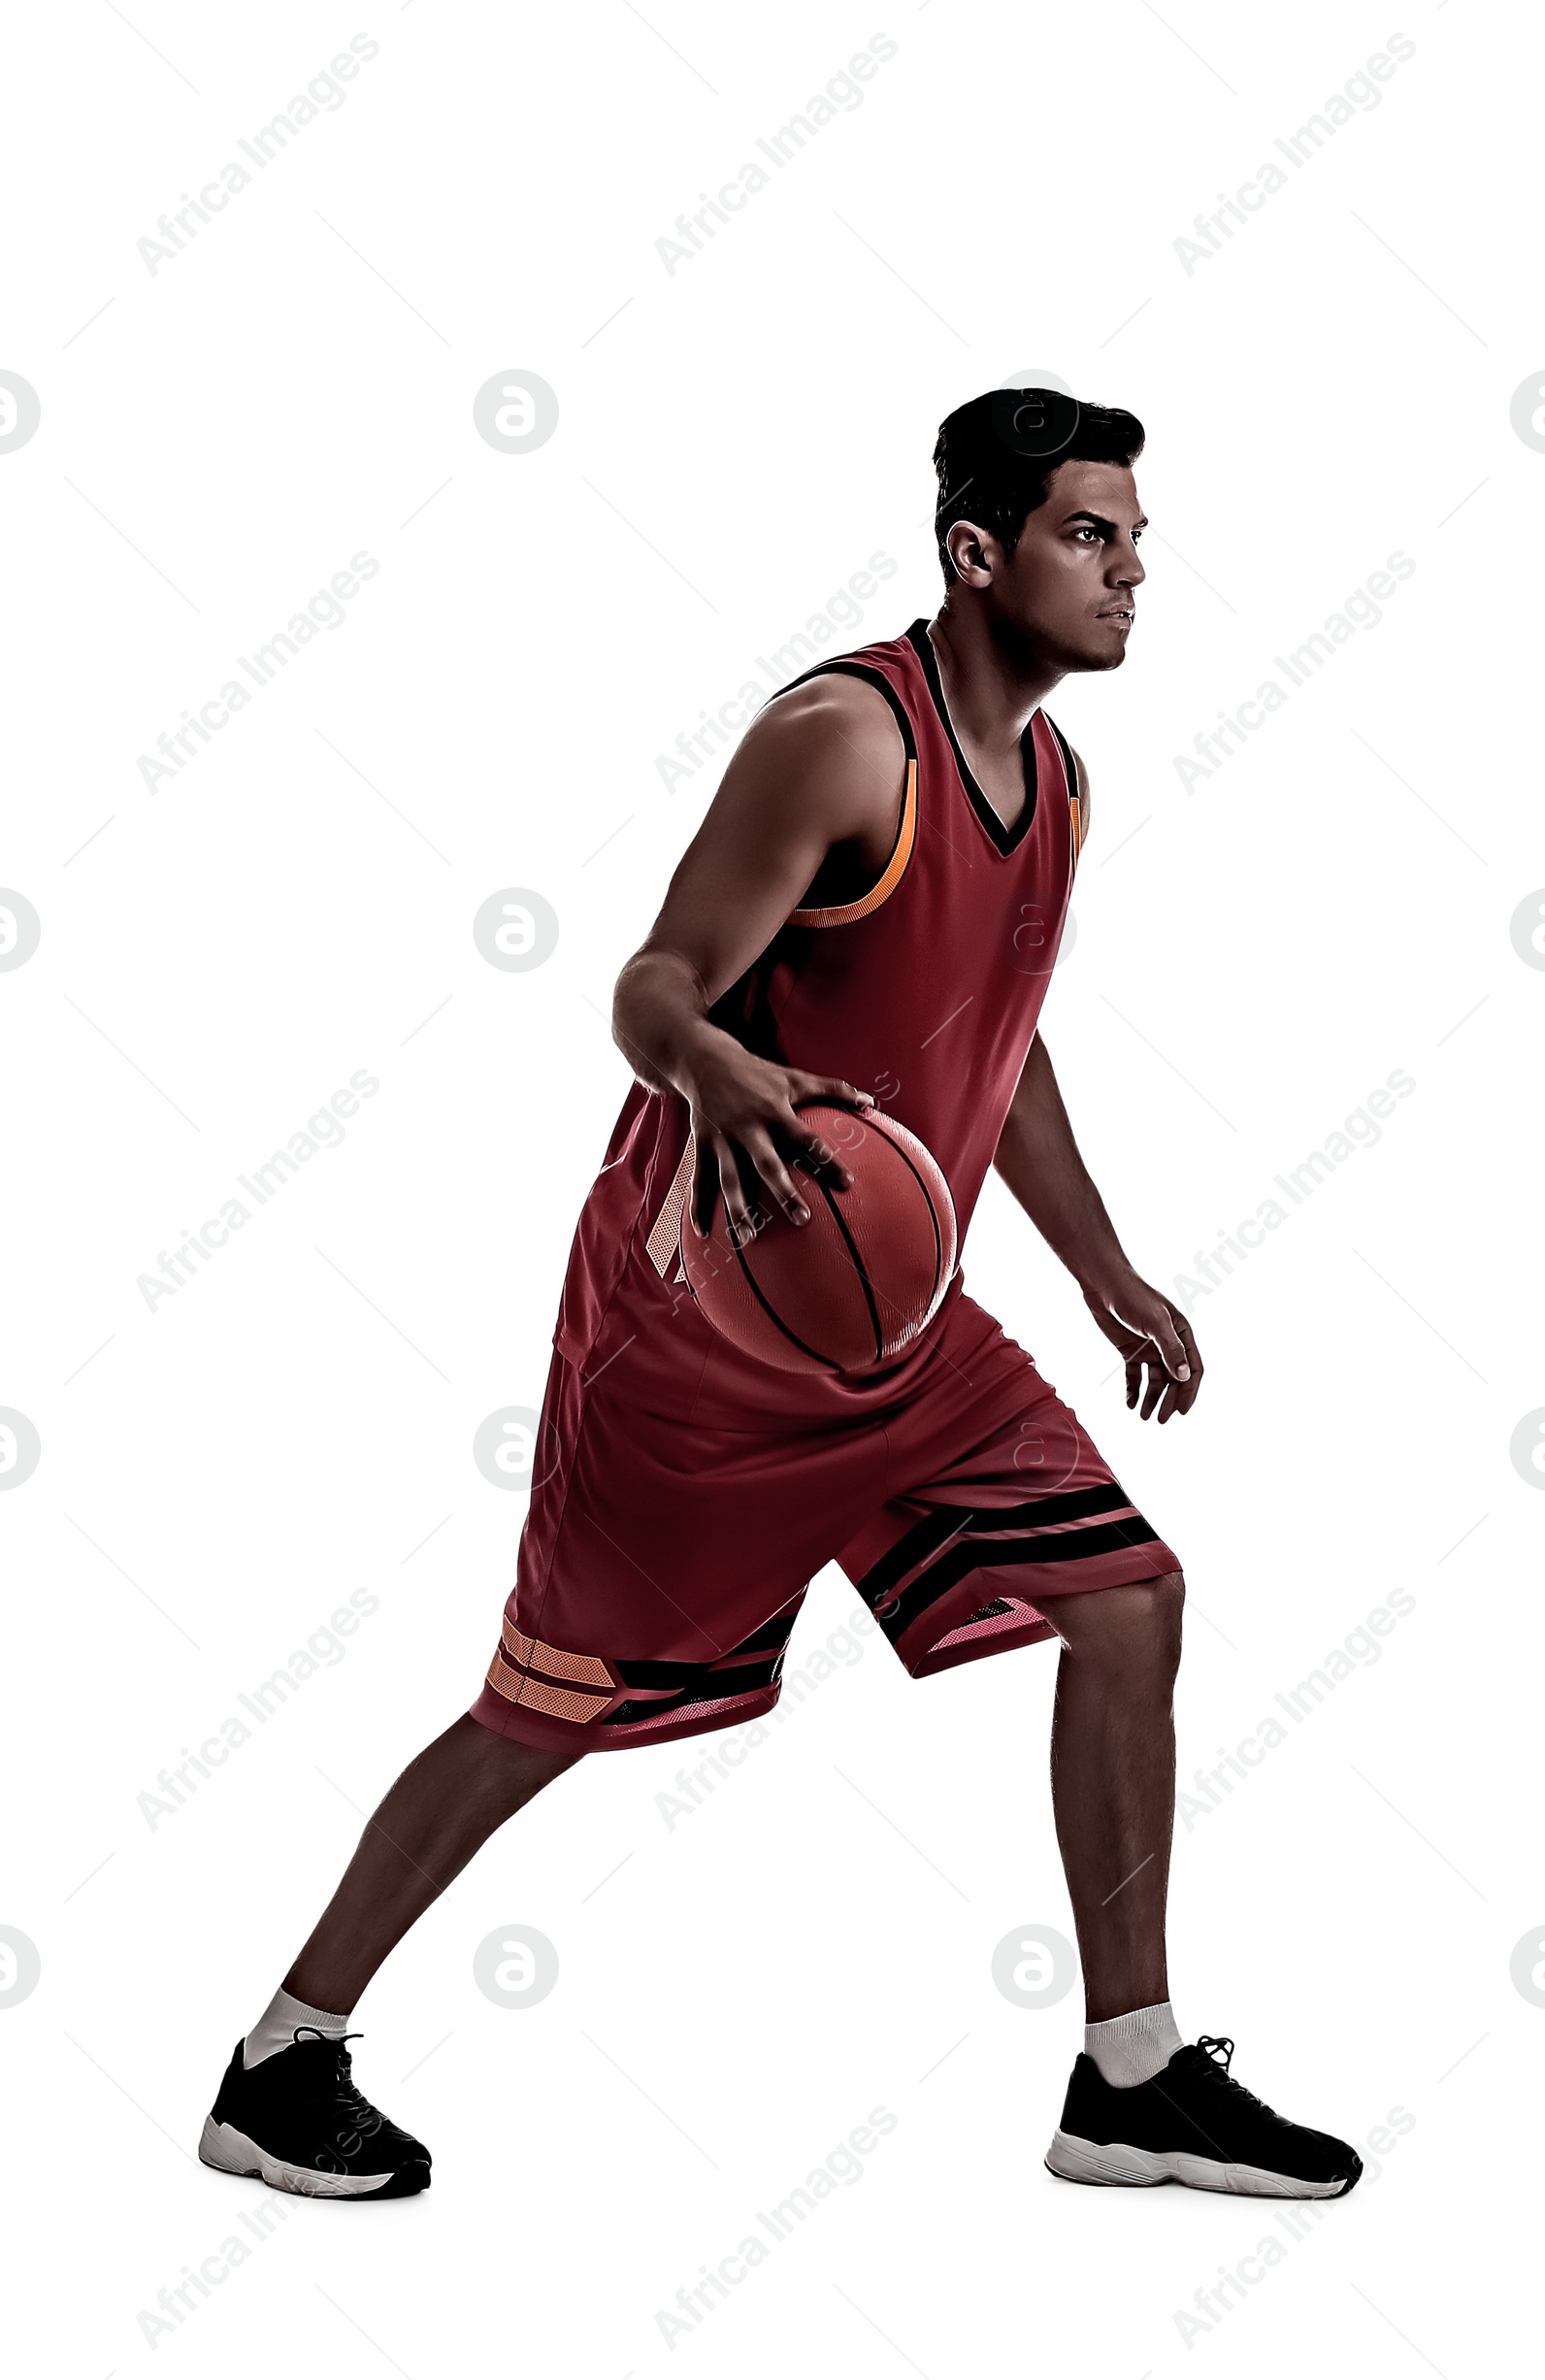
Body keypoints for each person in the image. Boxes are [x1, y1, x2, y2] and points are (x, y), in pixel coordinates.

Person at [199, 387, 1361, 2201]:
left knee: (1130, 1602)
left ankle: (1129, 2074)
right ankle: (285, 2057)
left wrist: (1108, 1267)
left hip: (903, 1329)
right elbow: (653, 984)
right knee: (542, 1714)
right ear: (977, 551)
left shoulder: (1054, 781)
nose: (1133, 574)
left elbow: (1003, 1039)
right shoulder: (841, 741)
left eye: (1136, 541)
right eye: (1088, 537)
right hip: (706, 1342)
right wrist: (712, 1074)